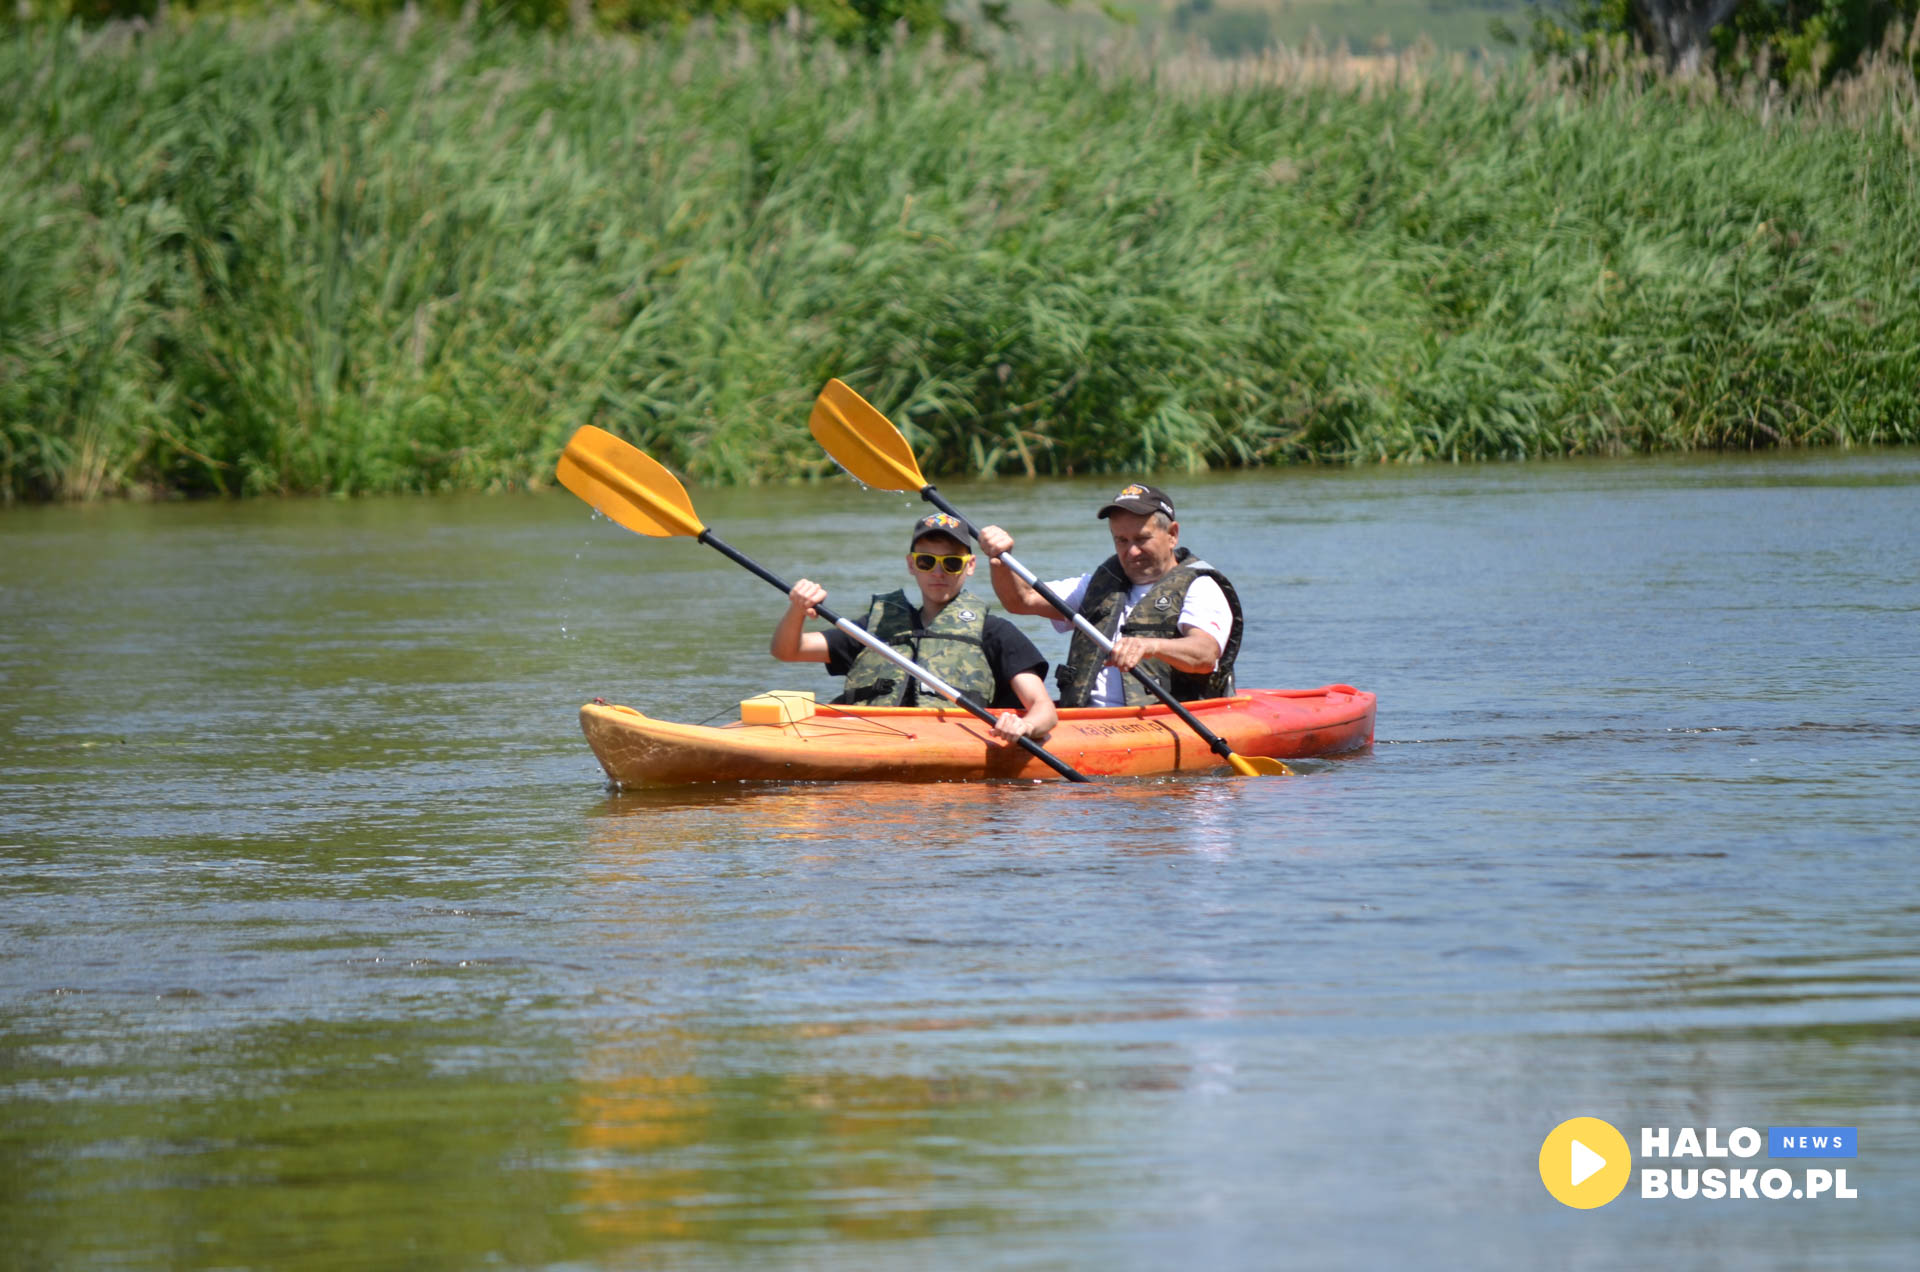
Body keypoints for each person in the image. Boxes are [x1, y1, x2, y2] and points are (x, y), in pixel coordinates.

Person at [770, 512, 1058, 745]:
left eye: (951, 563)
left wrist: (1025, 725)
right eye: (926, 561)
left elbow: (1044, 709)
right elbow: (788, 650)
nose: (937, 572)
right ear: (911, 564)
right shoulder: (875, 628)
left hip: (951, 743)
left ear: (970, 566)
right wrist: (797, 609)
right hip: (870, 738)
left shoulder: (994, 632)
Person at [978, 483, 1243, 708]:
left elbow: (1206, 655)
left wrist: (1151, 647)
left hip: (1161, 719)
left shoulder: (1200, 586)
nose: (1132, 551)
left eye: (1142, 539)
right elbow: (1020, 600)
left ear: (1172, 534)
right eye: (1122, 540)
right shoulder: (1097, 586)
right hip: (1085, 719)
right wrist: (1001, 559)